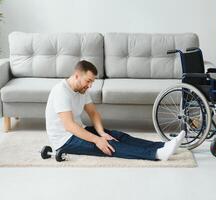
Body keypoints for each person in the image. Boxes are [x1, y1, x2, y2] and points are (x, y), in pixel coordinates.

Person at [45, 60, 185, 161]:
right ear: (77, 75)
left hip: (78, 131)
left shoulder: (82, 90)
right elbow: (69, 126)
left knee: (117, 136)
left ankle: (163, 146)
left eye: (92, 82)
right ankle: (157, 154)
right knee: (108, 146)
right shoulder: (61, 91)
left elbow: (93, 113)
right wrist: (97, 140)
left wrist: (101, 133)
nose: (90, 85)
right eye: (88, 81)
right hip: (64, 141)